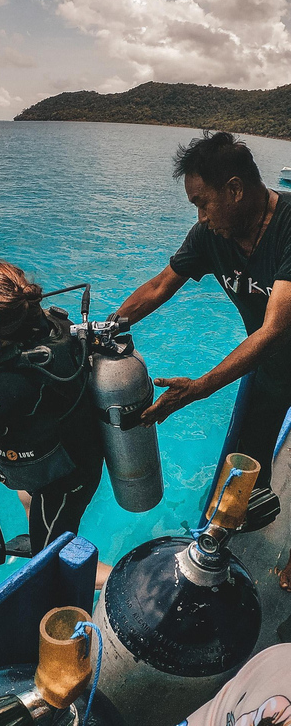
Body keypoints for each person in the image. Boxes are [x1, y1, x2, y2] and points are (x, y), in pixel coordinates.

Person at [110, 131, 291, 589]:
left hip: (270, 350)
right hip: (270, 369)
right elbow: (159, 286)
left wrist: (200, 387)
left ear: (234, 189)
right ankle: (221, 553)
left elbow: (273, 329)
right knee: (241, 467)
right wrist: (105, 330)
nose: (200, 215)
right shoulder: (212, 236)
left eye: (203, 202)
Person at [0, 259, 112, 589]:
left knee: (54, 558)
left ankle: (127, 579)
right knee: (26, 498)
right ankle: (43, 533)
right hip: (68, 451)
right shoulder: (49, 325)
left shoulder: (15, 380)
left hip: (63, 478)